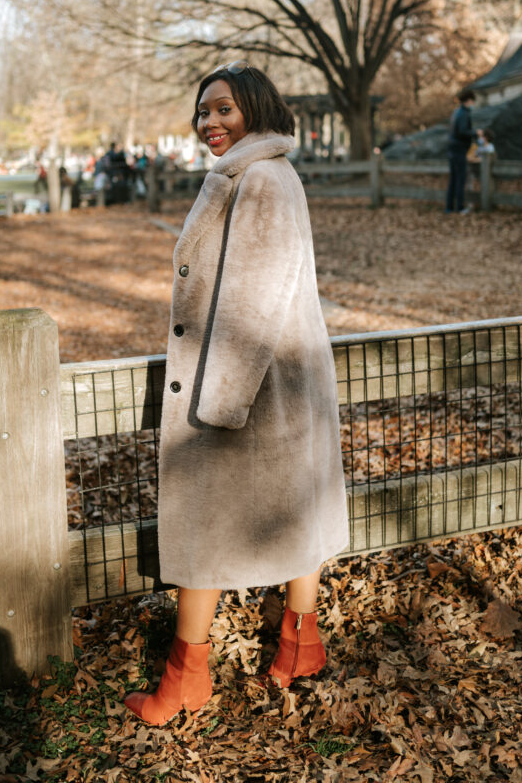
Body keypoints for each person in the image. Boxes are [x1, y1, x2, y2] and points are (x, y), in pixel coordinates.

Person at [124, 60, 349, 725]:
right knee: (297, 510)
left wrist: (218, 401)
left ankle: (185, 679)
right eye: (202, 112)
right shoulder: (264, 173)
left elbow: (254, 293)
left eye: (223, 108)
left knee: (203, 523)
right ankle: (299, 643)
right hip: (280, 380)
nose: (209, 123)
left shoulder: (260, 178)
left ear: (255, 107)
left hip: (245, 382)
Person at [445, 88, 477, 214]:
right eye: (472, 101)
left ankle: (449, 206)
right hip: (459, 148)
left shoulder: (456, 112)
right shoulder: (464, 114)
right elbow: (462, 131)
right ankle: (459, 206)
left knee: (453, 178)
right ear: (468, 100)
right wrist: (475, 133)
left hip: (452, 148)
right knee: (460, 178)